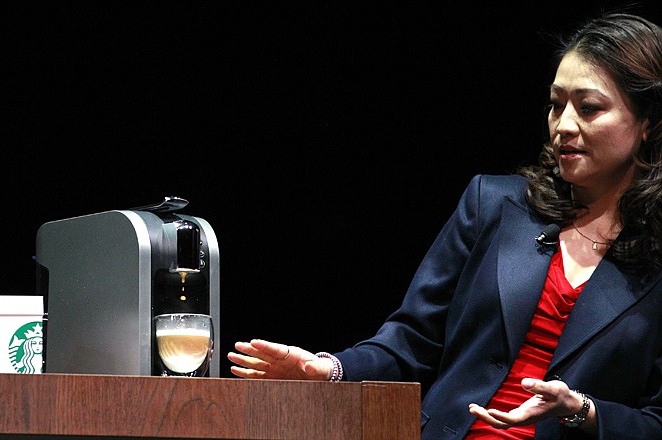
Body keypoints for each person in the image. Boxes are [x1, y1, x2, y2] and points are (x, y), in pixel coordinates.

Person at [227, 12, 662, 440]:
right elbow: (412, 341)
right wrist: (328, 368)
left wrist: (581, 411)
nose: (564, 125)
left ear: (648, 124)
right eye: (556, 104)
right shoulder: (495, 204)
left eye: (589, 108)